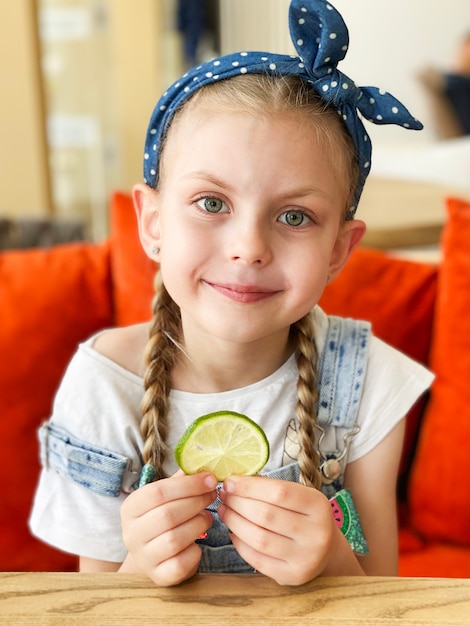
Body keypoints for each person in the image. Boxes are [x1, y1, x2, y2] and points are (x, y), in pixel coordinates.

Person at [30, 0, 433, 587]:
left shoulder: (367, 380)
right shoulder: (104, 386)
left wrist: (334, 560)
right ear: (153, 224)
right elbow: (97, 602)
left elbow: (382, 598)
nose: (249, 248)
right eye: (212, 203)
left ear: (340, 251)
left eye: (295, 216)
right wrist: (140, 567)